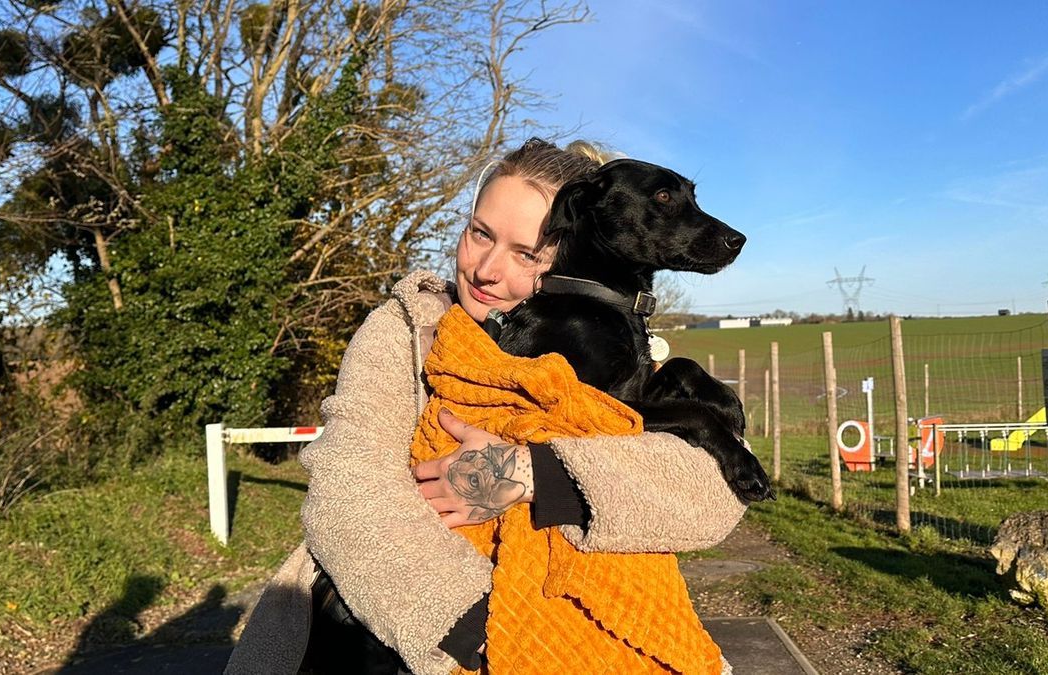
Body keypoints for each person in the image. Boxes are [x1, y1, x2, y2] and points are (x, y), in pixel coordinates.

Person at [226, 139, 747, 674]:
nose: (486, 270)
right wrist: (478, 628)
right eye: (480, 233)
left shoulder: (617, 351)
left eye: (526, 253)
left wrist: (534, 474)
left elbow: (714, 498)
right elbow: (346, 493)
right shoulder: (405, 332)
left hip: (575, 633)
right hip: (405, 641)